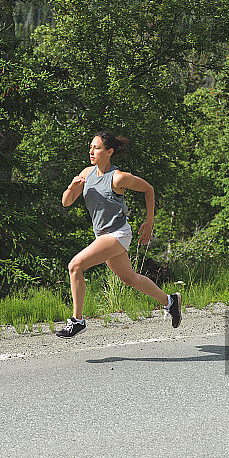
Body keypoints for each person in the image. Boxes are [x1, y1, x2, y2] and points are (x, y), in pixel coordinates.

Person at [56, 131, 181, 338]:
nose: (91, 151)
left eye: (96, 148)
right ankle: (170, 301)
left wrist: (149, 221)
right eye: (91, 147)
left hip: (117, 234)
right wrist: (72, 188)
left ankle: (77, 321)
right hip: (102, 236)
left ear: (109, 152)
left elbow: (148, 189)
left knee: (75, 266)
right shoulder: (86, 173)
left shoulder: (118, 177)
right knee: (129, 279)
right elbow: (66, 202)